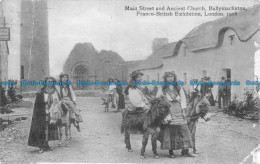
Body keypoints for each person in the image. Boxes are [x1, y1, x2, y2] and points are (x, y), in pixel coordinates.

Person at [157, 71, 194, 158]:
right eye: (168, 77)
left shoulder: (178, 87)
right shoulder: (162, 88)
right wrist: (164, 111)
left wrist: (184, 110)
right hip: (168, 110)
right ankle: (171, 151)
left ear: (174, 78)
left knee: (184, 129)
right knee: (170, 131)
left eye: (172, 76)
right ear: (165, 78)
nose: (170, 78)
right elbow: (158, 98)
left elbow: (183, 99)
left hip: (178, 109)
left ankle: (185, 150)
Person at [28, 77, 60, 154]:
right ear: (45, 83)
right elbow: (38, 105)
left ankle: (47, 145)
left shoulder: (55, 92)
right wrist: (43, 111)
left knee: (49, 129)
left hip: (51, 113)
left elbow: (58, 102)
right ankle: (41, 146)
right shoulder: (41, 93)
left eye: (51, 82)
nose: (50, 83)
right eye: (48, 82)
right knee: (42, 129)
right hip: (42, 114)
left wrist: (54, 109)